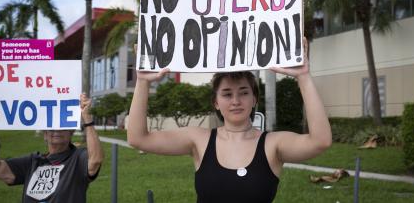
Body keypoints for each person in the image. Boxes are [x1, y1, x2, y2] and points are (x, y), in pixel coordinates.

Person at [127, 38, 332, 203]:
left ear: (254, 99)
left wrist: (303, 77)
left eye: (243, 93)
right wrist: (143, 82)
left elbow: (320, 141)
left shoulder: (273, 144)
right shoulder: (199, 140)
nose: (235, 101)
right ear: (216, 102)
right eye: (226, 94)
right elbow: (138, 138)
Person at [0, 93, 103, 203]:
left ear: (71, 132)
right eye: (51, 127)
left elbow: (95, 161)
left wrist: (87, 119)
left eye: (62, 126)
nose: (56, 130)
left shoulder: (77, 158)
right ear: (45, 134)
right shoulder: (33, 162)